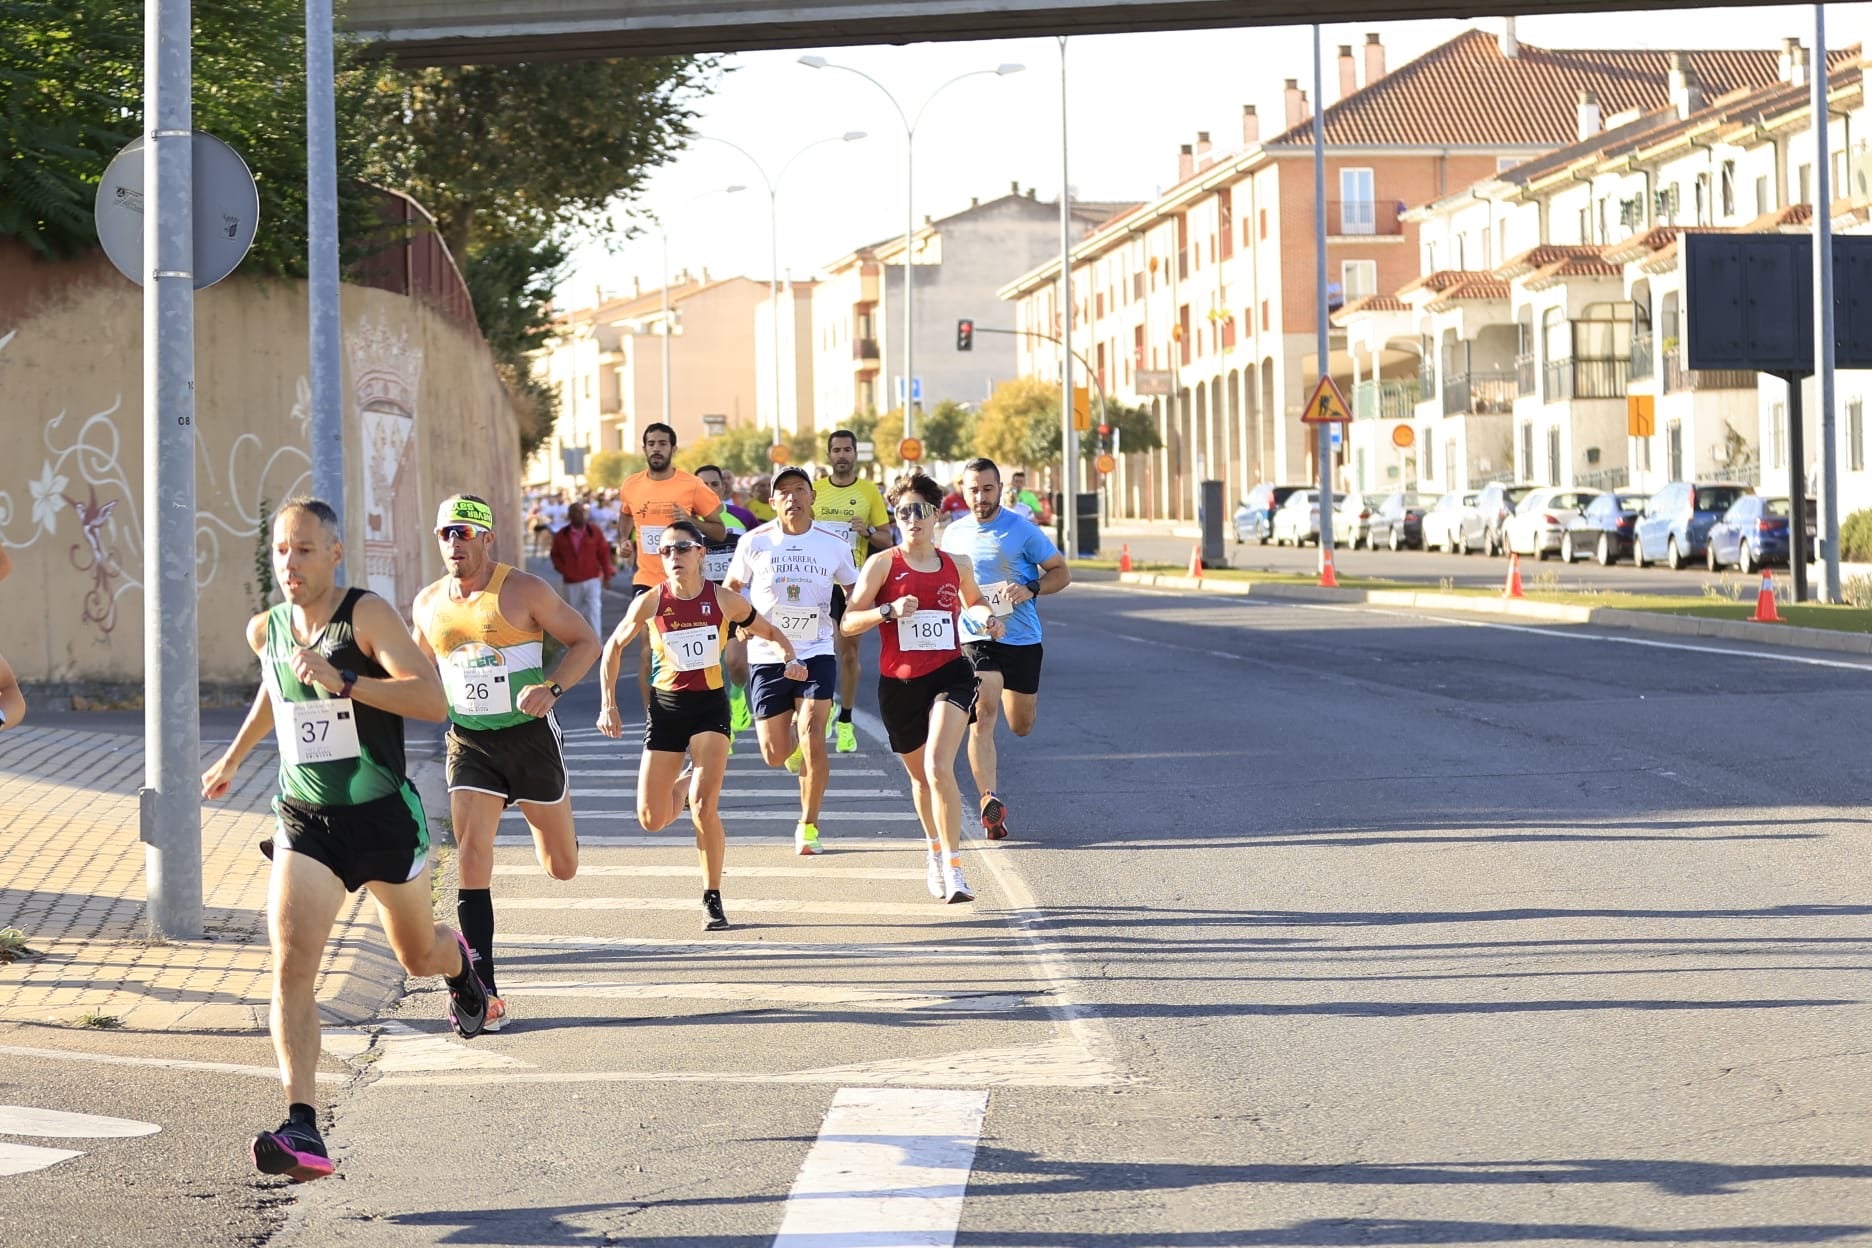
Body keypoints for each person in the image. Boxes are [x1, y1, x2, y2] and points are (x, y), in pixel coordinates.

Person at [200, 497, 485, 1184]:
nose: (290, 563)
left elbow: (430, 700)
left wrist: (347, 680)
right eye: (280, 550)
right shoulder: (264, 629)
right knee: (292, 965)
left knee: (417, 955)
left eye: (304, 550)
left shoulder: (366, 615)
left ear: (334, 554)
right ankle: (302, 1122)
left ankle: (461, 968)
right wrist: (235, 759)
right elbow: (276, 688)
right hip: (307, 820)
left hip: (383, 818)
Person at [411, 494, 600, 1032]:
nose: (456, 543)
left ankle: (560, 831)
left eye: (466, 534)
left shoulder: (523, 590)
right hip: (470, 743)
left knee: (560, 867)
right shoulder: (427, 604)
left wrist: (552, 687)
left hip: (531, 740)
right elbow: (413, 673)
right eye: (447, 533)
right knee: (472, 855)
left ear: (488, 539)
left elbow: (585, 640)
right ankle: (483, 990)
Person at [596, 520, 806, 930]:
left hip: (709, 709)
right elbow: (612, 647)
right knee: (651, 819)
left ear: (700, 554)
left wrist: (791, 657)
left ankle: (712, 896)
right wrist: (608, 704)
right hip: (666, 710)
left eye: (683, 548)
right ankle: (684, 782)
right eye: (668, 551)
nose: (674, 557)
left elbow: (770, 630)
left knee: (705, 809)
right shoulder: (652, 602)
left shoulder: (724, 600)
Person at [841, 473, 1003, 904]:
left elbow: (976, 602)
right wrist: (887, 611)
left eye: (920, 510)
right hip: (900, 684)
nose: (912, 519)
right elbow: (848, 622)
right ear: (896, 518)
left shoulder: (957, 564)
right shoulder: (882, 565)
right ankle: (934, 851)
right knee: (921, 778)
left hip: (949, 674)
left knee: (937, 766)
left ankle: (955, 869)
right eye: (903, 512)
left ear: (935, 515)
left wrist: (987, 618)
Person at [725, 465, 858, 856]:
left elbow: (854, 588)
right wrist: (742, 622)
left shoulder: (833, 543)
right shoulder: (754, 542)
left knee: (814, 735)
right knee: (775, 754)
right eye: (784, 492)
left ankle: (808, 825)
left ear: (812, 497)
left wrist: (856, 612)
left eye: (800, 489)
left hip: (817, 650)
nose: (792, 497)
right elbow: (732, 588)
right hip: (767, 655)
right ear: (772, 502)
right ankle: (794, 744)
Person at [940, 458, 1071, 840]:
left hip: (1023, 639)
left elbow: (1061, 572)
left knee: (1021, 724)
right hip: (977, 637)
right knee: (983, 713)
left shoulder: (1022, 530)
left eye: (987, 489)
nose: (979, 497)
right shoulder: (953, 534)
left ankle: (990, 794)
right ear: (962, 492)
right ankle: (989, 801)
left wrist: (1030, 588)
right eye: (972, 490)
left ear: (999, 489)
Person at [616, 423, 729, 710]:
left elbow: (719, 531)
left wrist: (690, 521)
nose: (656, 448)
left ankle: (692, 710)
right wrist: (623, 540)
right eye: (651, 443)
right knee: (646, 652)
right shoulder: (631, 485)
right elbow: (626, 514)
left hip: (686, 582)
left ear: (673, 449)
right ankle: (652, 718)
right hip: (647, 579)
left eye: (662, 443)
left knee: (684, 651)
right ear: (644, 449)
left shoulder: (691, 485)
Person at [812, 429, 892, 754]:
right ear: (829, 455)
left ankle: (844, 718)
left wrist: (869, 531)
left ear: (855, 454)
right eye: (836, 450)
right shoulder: (815, 491)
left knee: (848, 654)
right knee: (826, 648)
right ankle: (825, 704)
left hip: (852, 583)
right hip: (817, 582)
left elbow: (887, 539)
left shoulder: (868, 491)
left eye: (847, 450)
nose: (842, 455)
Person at [694, 464, 753, 738]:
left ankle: (738, 695)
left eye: (713, 484)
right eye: (702, 485)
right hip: (698, 603)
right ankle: (718, 729)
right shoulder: (685, 523)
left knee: (736, 663)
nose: (708, 490)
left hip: (734, 601)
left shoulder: (742, 517)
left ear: (723, 487)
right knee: (707, 670)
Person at [549, 500, 614, 643]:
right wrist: (564, 570)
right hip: (572, 581)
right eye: (574, 512)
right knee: (575, 613)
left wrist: (607, 575)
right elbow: (554, 555)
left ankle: (597, 645)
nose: (578, 515)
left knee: (594, 610)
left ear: (584, 514)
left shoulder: (594, 532)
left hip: (592, 578)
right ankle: (580, 644)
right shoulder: (562, 535)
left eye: (580, 512)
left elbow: (603, 553)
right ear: (570, 516)